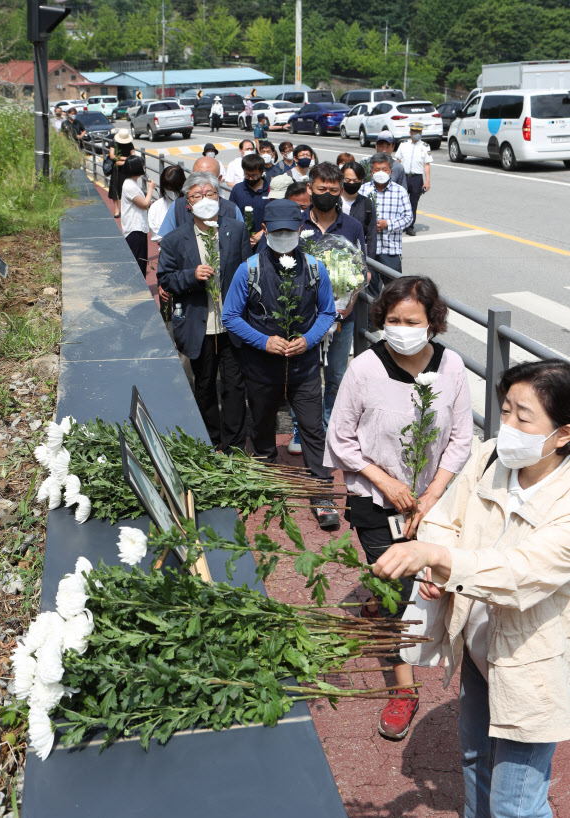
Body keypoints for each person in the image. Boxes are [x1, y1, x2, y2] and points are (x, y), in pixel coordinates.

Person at [372, 359, 570, 817]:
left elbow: (520, 572)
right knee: (476, 760)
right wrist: (440, 567)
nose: (509, 426)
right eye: (505, 411)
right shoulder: (490, 458)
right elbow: (445, 520)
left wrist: (441, 560)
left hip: (532, 666)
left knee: (514, 805)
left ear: (563, 434)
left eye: (524, 416)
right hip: (480, 649)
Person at [324, 275, 473, 740]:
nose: (402, 328)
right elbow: (342, 437)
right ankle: (403, 691)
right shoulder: (365, 368)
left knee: (429, 584)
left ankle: (375, 605)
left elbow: (461, 439)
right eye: (393, 320)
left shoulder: (451, 367)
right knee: (396, 595)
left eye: (413, 320)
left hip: (435, 503)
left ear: (433, 323)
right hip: (375, 502)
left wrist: (429, 497)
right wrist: (385, 481)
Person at [222, 199, 339, 529]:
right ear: (264, 231)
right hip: (261, 367)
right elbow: (230, 316)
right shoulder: (250, 270)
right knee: (262, 425)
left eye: (290, 230)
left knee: (313, 428)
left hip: (303, 367)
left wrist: (310, 338)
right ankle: (266, 478)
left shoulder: (316, 269)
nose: (284, 236)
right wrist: (264, 340)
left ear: (301, 229)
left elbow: (328, 312)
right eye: (277, 232)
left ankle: (321, 492)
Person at [157, 172, 251, 452]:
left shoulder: (235, 229)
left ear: (219, 198)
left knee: (234, 387)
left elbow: (248, 270)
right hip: (199, 324)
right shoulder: (175, 239)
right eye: (197, 195)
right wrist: (191, 276)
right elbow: (166, 278)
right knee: (205, 384)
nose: (204, 199)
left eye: (210, 193)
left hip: (232, 325)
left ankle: (235, 444)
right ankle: (211, 439)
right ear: (188, 203)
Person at [300, 162, 366, 430]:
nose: (327, 193)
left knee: (336, 374)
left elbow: (361, 272)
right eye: (321, 188)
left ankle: (331, 426)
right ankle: (301, 426)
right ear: (309, 188)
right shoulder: (297, 225)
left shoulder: (352, 226)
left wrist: (348, 305)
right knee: (304, 374)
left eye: (333, 189)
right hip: (304, 319)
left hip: (342, 318)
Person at [157, 156, 243, 239]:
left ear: (219, 179)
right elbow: (166, 242)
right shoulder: (177, 207)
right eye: (198, 177)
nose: (203, 183)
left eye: (209, 178)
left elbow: (241, 241)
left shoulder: (232, 210)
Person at [360, 152, 412, 276]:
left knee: (394, 289)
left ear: (390, 172)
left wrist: (388, 224)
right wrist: (369, 225)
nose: (381, 172)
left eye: (384, 169)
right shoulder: (363, 190)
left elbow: (408, 218)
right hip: (369, 250)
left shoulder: (400, 191)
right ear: (371, 172)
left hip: (391, 250)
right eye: (377, 169)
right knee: (370, 291)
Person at [120, 156, 156, 277]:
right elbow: (145, 203)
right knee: (139, 264)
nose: (143, 167)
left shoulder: (131, 183)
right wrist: (151, 188)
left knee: (140, 262)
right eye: (142, 165)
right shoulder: (130, 186)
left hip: (136, 228)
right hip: (135, 230)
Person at [395, 122, 432, 236]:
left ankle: (410, 226)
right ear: (410, 132)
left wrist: (427, 181)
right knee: (401, 202)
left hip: (417, 178)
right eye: (415, 132)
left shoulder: (425, 146)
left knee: (413, 203)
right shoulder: (403, 144)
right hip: (404, 177)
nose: (417, 134)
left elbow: (426, 164)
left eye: (419, 132)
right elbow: (398, 161)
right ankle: (400, 224)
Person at [229, 153, 270, 248]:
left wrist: (261, 234)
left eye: (254, 175)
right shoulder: (237, 190)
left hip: (265, 239)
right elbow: (231, 215)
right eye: (247, 175)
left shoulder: (270, 190)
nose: (250, 178)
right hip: (242, 239)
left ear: (262, 172)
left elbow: (276, 215)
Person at [340, 160, 377, 260]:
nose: (351, 183)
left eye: (355, 181)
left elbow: (371, 238)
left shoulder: (367, 205)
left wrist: (369, 264)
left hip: (356, 259)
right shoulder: (333, 202)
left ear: (361, 180)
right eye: (347, 180)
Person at [149, 164, 186, 243]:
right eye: (167, 188)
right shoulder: (156, 207)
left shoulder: (192, 204)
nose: (171, 192)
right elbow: (156, 234)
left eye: (174, 189)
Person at [108, 128, 136, 219]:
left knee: (127, 189)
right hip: (116, 169)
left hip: (126, 169)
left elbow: (133, 156)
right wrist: (125, 159)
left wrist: (123, 160)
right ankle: (116, 209)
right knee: (115, 188)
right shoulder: (114, 143)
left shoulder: (130, 144)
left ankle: (127, 209)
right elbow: (112, 155)